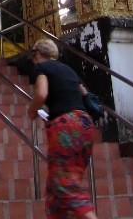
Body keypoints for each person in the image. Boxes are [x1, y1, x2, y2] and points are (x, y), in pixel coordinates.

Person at [27, 39, 98, 219]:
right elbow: (86, 95)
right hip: (85, 124)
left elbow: (41, 93)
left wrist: (33, 109)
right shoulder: (68, 69)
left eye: (33, 56)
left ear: (37, 54)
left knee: (63, 185)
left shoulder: (41, 68)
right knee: (55, 188)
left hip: (66, 125)